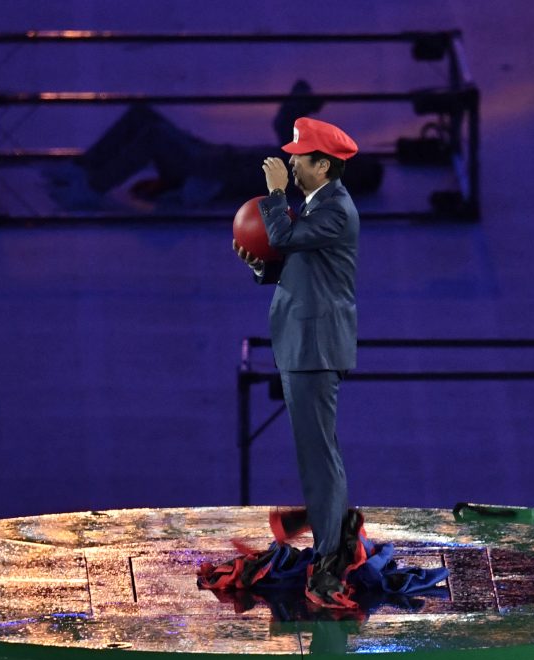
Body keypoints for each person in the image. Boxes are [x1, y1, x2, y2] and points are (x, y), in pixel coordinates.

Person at [234, 116, 362, 609]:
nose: (289, 162)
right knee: (315, 452)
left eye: (299, 157)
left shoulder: (337, 211)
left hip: (315, 347)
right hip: (300, 342)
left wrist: (273, 195)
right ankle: (334, 526)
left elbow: (287, 238)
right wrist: (261, 265)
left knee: (318, 456)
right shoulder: (316, 206)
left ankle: (331, 556)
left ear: (323, 165)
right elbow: (295, 261)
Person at [44, 81, 383, 210]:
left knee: (153, 136)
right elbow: (287, 130)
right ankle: (84, 167)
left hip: (212, 171)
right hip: (215, 158)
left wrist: (301, 102)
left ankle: (92, 186)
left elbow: (287, 129)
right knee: (142, 114)